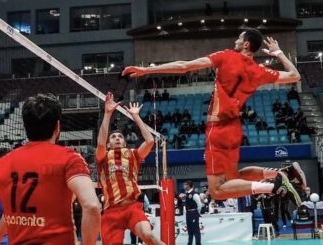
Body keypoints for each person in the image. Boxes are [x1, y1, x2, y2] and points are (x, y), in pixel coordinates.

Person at [123, 29, 305, 206]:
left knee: (217, 191)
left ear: (246, 44)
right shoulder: (258, 71)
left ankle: (273, 186)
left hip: (218, 129)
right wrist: (279, 53)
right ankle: (281, 173)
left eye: (239, 39)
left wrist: (145, 70)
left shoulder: (227, 55)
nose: (235, 41)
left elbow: (184, 66)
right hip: (234, 128)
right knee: (233, 179)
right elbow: (294, 76)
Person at [0, 94, 101, 245]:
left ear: (24, 127)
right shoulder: (70, 159)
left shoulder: (1, 164)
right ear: (57, 126)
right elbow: (92, 206)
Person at [96, 92, 164, 245]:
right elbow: (100, 144)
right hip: (111, 211)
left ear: (125, 142)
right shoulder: (103, 157)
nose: (117, 138)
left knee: (149, 236)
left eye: (120, 137)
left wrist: (136, 116)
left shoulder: (133, 154)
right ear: (109, 144)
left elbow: (150, 141)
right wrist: (107, 114)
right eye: (113, 137)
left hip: (132, 207)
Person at [183, 181, 202, 245]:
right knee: (189, 231)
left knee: (196, 231)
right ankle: (189, 243)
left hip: (193, 213)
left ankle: (198, 244)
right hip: (188, 214)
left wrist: (196, 213)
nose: (184, 186)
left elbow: (200, 205)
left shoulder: (195, 194)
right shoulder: (186, 193)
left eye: (185, 184)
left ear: (188, 185)